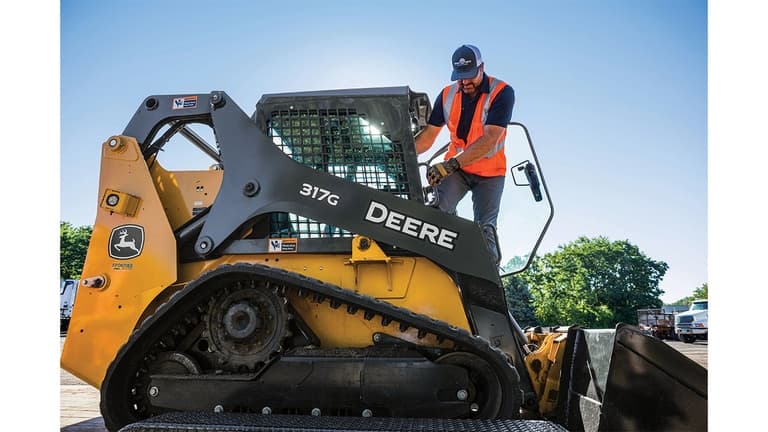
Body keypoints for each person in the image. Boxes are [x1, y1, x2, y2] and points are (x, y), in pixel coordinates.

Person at [415, 44, 515, 265]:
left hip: (490, 173)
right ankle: (442, 265)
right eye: (460, 77)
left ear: (482, 68)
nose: (465, 82)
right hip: (458, 171)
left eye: (470, 75)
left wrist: (450, 165)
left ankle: (487, 273)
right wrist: (401, 153)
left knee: (485, 229)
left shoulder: (502, 92)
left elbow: (490, 139)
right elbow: (428, 137)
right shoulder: (447, 95)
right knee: (437, 213)